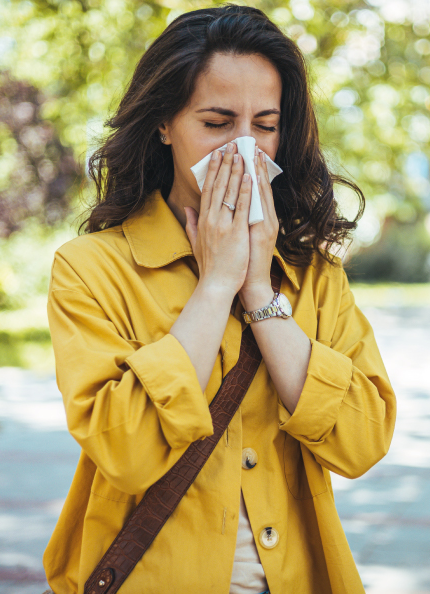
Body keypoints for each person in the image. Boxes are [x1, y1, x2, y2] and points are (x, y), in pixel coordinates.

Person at [43, 5, 396, 593]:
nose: (242, 149)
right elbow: (125, 450)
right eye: (216, 122)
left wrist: (259, 289)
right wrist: (214, 286)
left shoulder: (313, 276)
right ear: (164, 123)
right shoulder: (91, 269)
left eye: (263, 124)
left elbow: (363, 442)